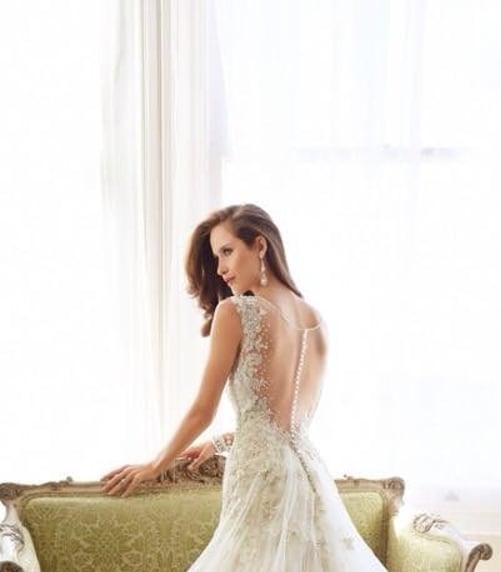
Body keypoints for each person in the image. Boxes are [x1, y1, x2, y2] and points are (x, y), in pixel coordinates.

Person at [102, 204, 387, 571]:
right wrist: (222, 442)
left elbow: (203, 410)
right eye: (216, 257)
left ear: (260, 246)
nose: (220, 269)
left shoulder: (235, 312)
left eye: (227, 251)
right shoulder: (317, 322)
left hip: (259, 476)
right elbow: (287, 427)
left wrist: (156, 464)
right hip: (309, 476)